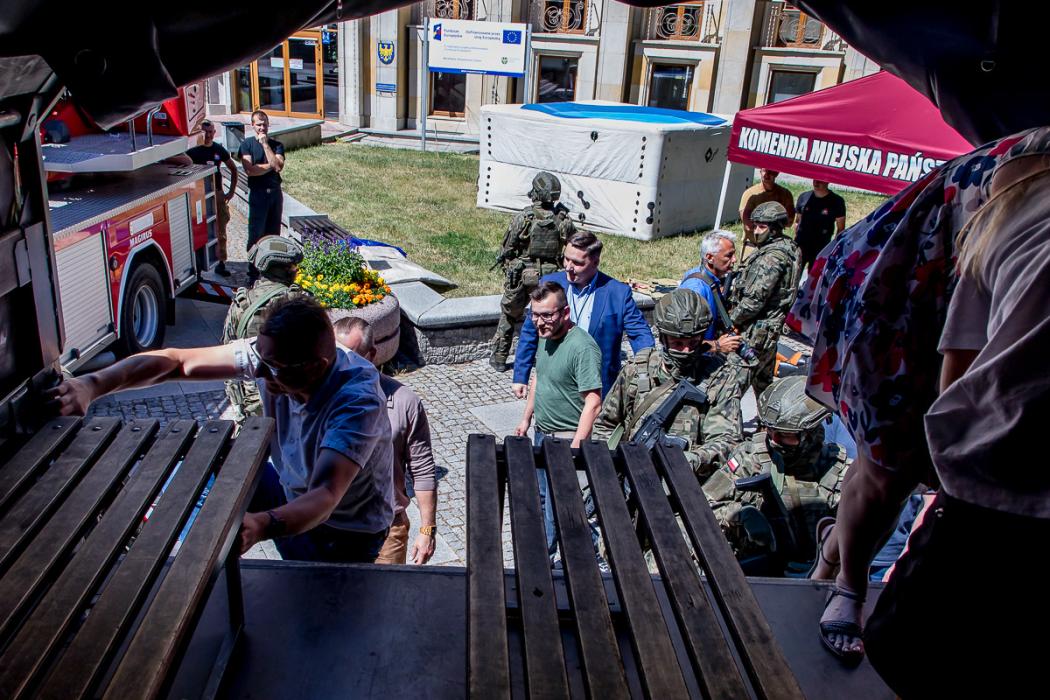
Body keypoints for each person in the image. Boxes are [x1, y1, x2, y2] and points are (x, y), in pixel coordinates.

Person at [790, 126, 1050, 672]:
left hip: (960, 279)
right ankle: (849, 585)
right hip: (907, 285)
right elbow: (962, 355)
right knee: (891, 464)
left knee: (903, 469)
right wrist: (943, 449)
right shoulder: (1025, 187)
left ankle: (835, 550)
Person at [47, 295, 395, 564]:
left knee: (317, 611)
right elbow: (177, 363)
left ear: (317, 367)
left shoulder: (356, 401)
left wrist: (260, 524)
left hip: (344, 531)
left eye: (273, 368)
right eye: (260, 360)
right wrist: (91, 385)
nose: (261, 373)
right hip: (292, 491)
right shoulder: (277, 356)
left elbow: (325, 495)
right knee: (222, 464)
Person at [593, 289, 743, 478]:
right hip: (634, 473)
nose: (686, 350)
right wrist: (611, 464)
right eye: (677, 343)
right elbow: (605, 424)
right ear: (663, 337)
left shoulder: (720, 378)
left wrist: (683, 460)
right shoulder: (638, 370)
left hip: (689, 481)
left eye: (693, 342)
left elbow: (727, 440)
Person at [703, 375, 850, 563]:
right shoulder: (751, 458)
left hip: (816, 572)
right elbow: (701, 508)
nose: (773, 441)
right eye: (770, 430)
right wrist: (737, 513)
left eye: (784, 435)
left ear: (810, 435)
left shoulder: (839, 473)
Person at [336, 317, 438, 566]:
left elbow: (422, 470)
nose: (342, 367)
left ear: (371, 355)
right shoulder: (318, 400)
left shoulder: (404, 402)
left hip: (387, 529)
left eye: (352, 357)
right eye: (336, 357)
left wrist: (427, 530)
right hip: (330, 525)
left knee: (385, 590)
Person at [514, 282, 603, 562]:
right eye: (535, 315)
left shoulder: (582, 347)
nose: (539, 322)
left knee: (558, 505)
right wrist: (526, 418)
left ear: (565, 313)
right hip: (543, 433)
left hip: (565, 438)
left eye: (547, 315)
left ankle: (554, 559)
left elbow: (593, 402)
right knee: (542, 498)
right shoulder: (545, 336)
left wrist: (575, 446)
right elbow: (539, 377)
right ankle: (547, 550)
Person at [512, 232, 654, 399]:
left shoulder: (618, 293)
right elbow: (530, 330)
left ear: (595, 262)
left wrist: (647, 371)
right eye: (566, 259)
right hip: (554, 387)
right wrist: (520, 376)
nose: (568, 267)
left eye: (577, 263)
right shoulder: (549, 284)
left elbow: (640, 334)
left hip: (598, 388)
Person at [489, 172, 576, 371]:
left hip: (523, 275)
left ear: (536, 193)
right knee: (550, 317)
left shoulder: (523, 218)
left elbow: (508, 248)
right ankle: (552, 356)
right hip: (551, 276)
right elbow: (576, 244)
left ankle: (500, 357)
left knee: (509, 315)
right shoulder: (563, 221)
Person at [221, 235, 304, 427]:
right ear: (286, 270)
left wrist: (238, 404)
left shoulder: (241, 304)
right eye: (294, 267)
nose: (296, 271)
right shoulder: (300, 303)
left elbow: (227, 352)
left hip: (252, 403)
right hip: (291, 401)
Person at [727, 202, 801, 397]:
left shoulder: (771, 258)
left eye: (762, 227)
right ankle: (768, 416)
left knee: (730, 389)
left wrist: (731, 320)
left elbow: (754, 300)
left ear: (775, 228)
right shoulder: (788, 247)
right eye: (755, 226)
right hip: (768, 331)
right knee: (764, 387)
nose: (756, 231)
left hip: (755, 333)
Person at [186, 119, 239, 276]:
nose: (208, 135)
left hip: (216, 194)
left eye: (210, 132)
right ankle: (198, 264)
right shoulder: (193, 151)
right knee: (196, 229)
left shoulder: (219, 149)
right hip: (197, 196)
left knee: (220, 229)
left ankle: (221, 262)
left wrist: (231, 192)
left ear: (214, 133)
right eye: (205, 132)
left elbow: (233, 169)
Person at [679, 229, 744, 354]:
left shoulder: (709, 279)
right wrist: (717, 346)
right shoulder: (696, 289)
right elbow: (681, 342)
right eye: (729, 255)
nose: (734, 260)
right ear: (710, 258)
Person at [238, 110, 286, 253]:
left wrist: (265, 145)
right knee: (256, 232)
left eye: (264, 124)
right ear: (252, 125)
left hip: (275, 194)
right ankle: (253, 264)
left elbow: (278, 167)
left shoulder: (277, 145)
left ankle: (272, 263)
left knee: (274, 234)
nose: (262, 128)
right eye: (259, 125)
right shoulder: (247, 145)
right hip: (258, 194)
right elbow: (250, 170)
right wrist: (272, 164)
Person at [793, 180, 846, 272]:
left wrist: (834, 247)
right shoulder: (804, 197)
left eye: (820, 181)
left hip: (821, 247)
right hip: (801, 245)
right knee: (793, 274)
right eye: (815, 180)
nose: (816, 183)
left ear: (828, 181)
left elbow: (840, 228)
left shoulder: (837, 201)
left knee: (814, 277)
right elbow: (797, 221)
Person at [738, 168, 795, 247]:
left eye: (770, 171)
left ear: (777, 173)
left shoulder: (785, 194)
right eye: (764, 170)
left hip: (775, 246)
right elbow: (748, 225)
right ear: (760, 171)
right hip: (753, 245)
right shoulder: (750, 194)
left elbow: (789, 222)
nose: (766, 175)